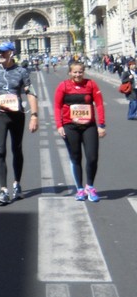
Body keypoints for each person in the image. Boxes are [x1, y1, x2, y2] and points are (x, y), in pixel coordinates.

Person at [0, 41, 39, 205]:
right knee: (0, 151)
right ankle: (3, 190)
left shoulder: (21, 72)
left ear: (11, 53)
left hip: (17, 116)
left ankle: (17, 184)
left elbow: (31, 93)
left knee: (17, 149)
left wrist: (34, 116)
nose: (0, 54)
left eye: (3, 52)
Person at [54, 61, 106, 202]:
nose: (78, 74)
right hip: (70, 126)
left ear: (84, 71)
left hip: (89, 126)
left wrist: (101, 125)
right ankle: (80, 190)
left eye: (80, 71)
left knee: (92, 157)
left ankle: (90, 186)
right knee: (76, 157)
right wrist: (59, 126)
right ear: (70, 73)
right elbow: (57, 107)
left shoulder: (91, 85)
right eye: (75, 72)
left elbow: (99, 104)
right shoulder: (63, 86)